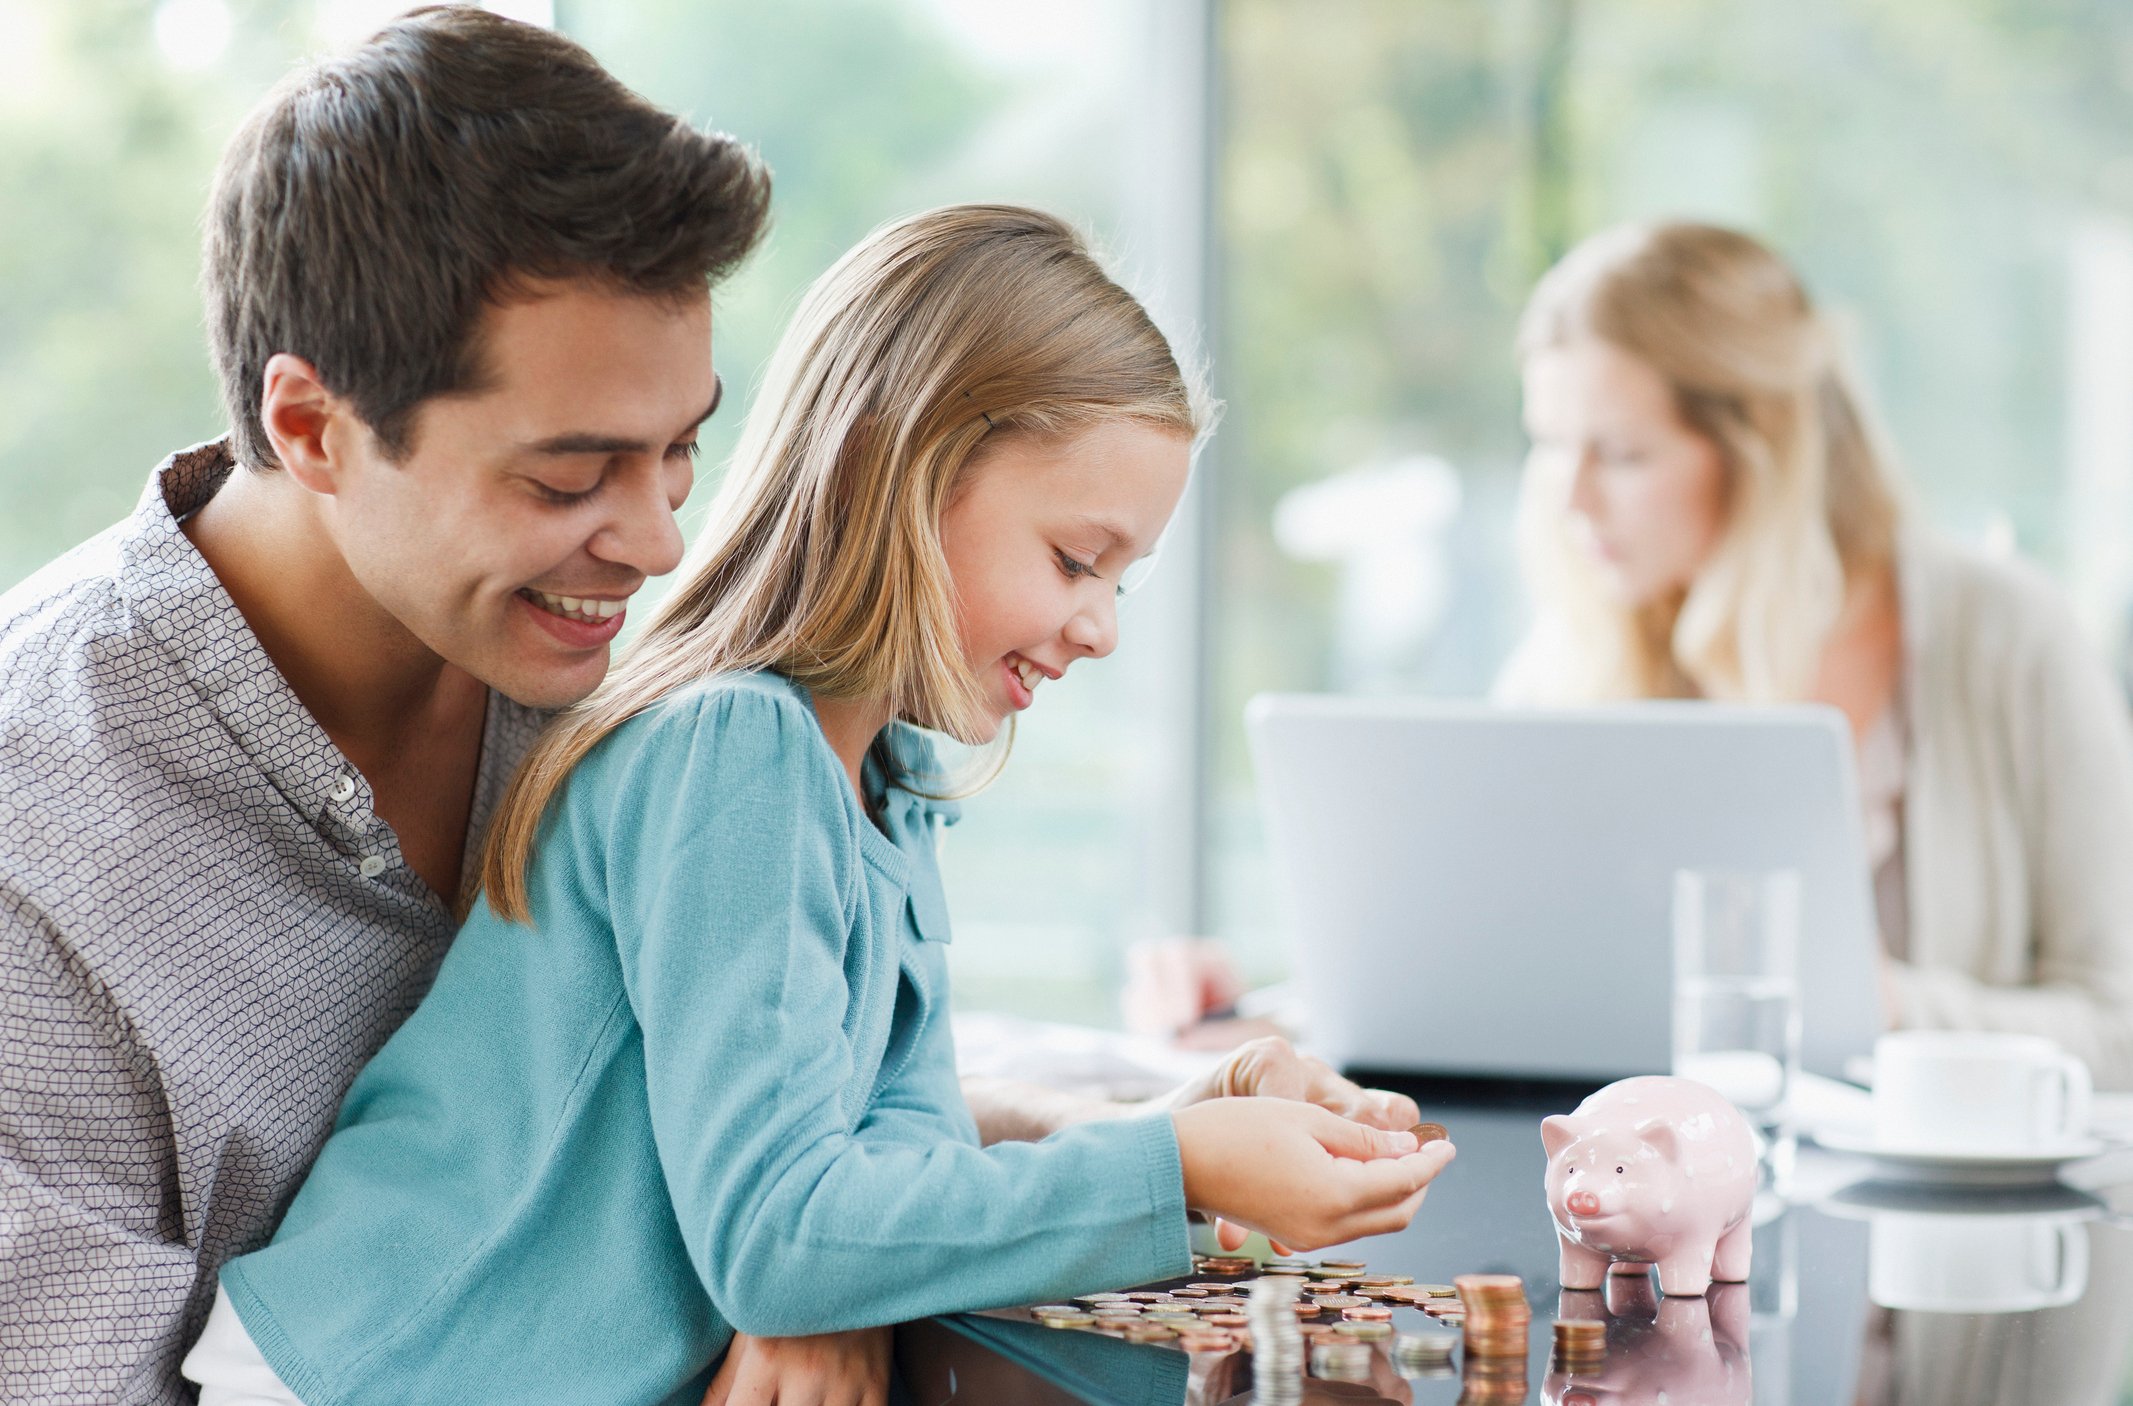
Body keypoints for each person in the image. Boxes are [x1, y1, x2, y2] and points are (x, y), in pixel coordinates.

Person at [0, 10, 1423, 1403]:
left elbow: (794, 1116)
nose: (660, 543)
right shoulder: (41, 827)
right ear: (314, 428)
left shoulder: (638, 666)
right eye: (568, 475)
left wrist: (1141, 1136)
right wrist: (806, 1267)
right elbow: (775, 1220)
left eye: (682, 452)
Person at [1503, 220, 2133, 1086]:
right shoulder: (1569, 664)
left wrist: (1891, 1009)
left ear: (1759, 452)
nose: (1570, 498)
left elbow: (2118, 1025)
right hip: (1655, 1204)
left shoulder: (2004, 635)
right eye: (1548, 444)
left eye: (1621, 453)